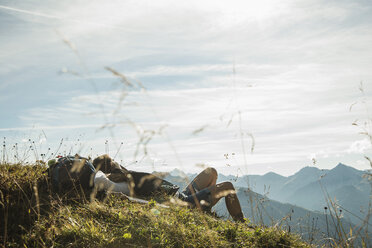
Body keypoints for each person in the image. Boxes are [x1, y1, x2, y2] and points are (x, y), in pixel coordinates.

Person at [92, 154, 245, 222]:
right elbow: (135, 199)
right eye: (114, 162)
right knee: (228, 186)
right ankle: (240, 222)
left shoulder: (126, 175)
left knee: (210, 172)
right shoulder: (120, 183)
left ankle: (207, 208)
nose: (118, 163)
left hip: (180, 194)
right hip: (184, 203)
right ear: (111, 166)